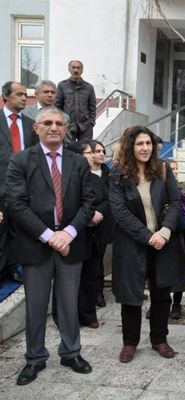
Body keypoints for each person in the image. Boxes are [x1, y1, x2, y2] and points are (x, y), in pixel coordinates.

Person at [5, 107, 95, 385]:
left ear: (67, 129)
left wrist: (67, 233)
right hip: (36, 245)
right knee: (35, 305)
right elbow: (15, 205)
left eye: (59, 123)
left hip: (70, 243)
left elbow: (88, 202)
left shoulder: (78, 162)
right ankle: (34, 358)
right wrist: (48, 235)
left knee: (69, 303)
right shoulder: (20, 161)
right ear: (36, 128)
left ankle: (71, 353)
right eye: (47, 123)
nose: (53, 127)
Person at [109, 126, 185, 363]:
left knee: (162, 294)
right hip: (133, 243)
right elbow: (119, 211)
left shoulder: (162, 169)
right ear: (130, 146)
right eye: (139, 143)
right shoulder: (118, 173)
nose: (145, 148)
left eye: (148, 144)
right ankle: (129, 343)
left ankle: (159, 339)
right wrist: (147, 235)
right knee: (131, 295)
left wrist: (164, 231)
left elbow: (175, 201)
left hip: (162, 242)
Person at [70, 140, 112, 328]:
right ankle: (69, 317)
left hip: (96, 233)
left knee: (90, 276)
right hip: (76, 232)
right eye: (89, 153)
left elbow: (106, 199)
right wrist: (87, 215)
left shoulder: (99, 177)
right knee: (71, 279)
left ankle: (88, 315)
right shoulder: (69, 176)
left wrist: (99, 212)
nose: (93, 156)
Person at [0, 81, 38, 284]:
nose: (25, 98)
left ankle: (13, 268)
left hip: (22, 188)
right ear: (5, 96)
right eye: (19, 94)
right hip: (0, 187)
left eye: (26, 94)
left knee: (17, 230)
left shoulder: (29, 124)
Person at [164, 158, 185, 320]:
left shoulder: (183, 186)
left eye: (176, 169)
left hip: (181, 236)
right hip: (161, 235)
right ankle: (162, 303)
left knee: (180, 272)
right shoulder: (157, 187)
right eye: (171, 169)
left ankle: (177, 305)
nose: (174, 172)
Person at [85, 140, 113, 308]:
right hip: (86, 222)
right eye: (98, 151)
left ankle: (99, 292)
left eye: (103, 151)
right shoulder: (83, 173)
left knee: (99, 259)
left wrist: (100, 212)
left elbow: (111, 197)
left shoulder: (108, 173)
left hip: (104, 223)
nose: (102, 154)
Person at [55, 60, 96, 142]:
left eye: (78, 68)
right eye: (73, 67)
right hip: (68, 125)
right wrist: (60, 122)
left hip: (85, 126)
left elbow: (92, 106)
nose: (76, 70)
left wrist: (92, 122)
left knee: (86, 150)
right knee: (68, 150)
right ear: (69, 69)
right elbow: (57, 105)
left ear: (82, 70)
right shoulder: (62, 85)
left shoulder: (89, 87)